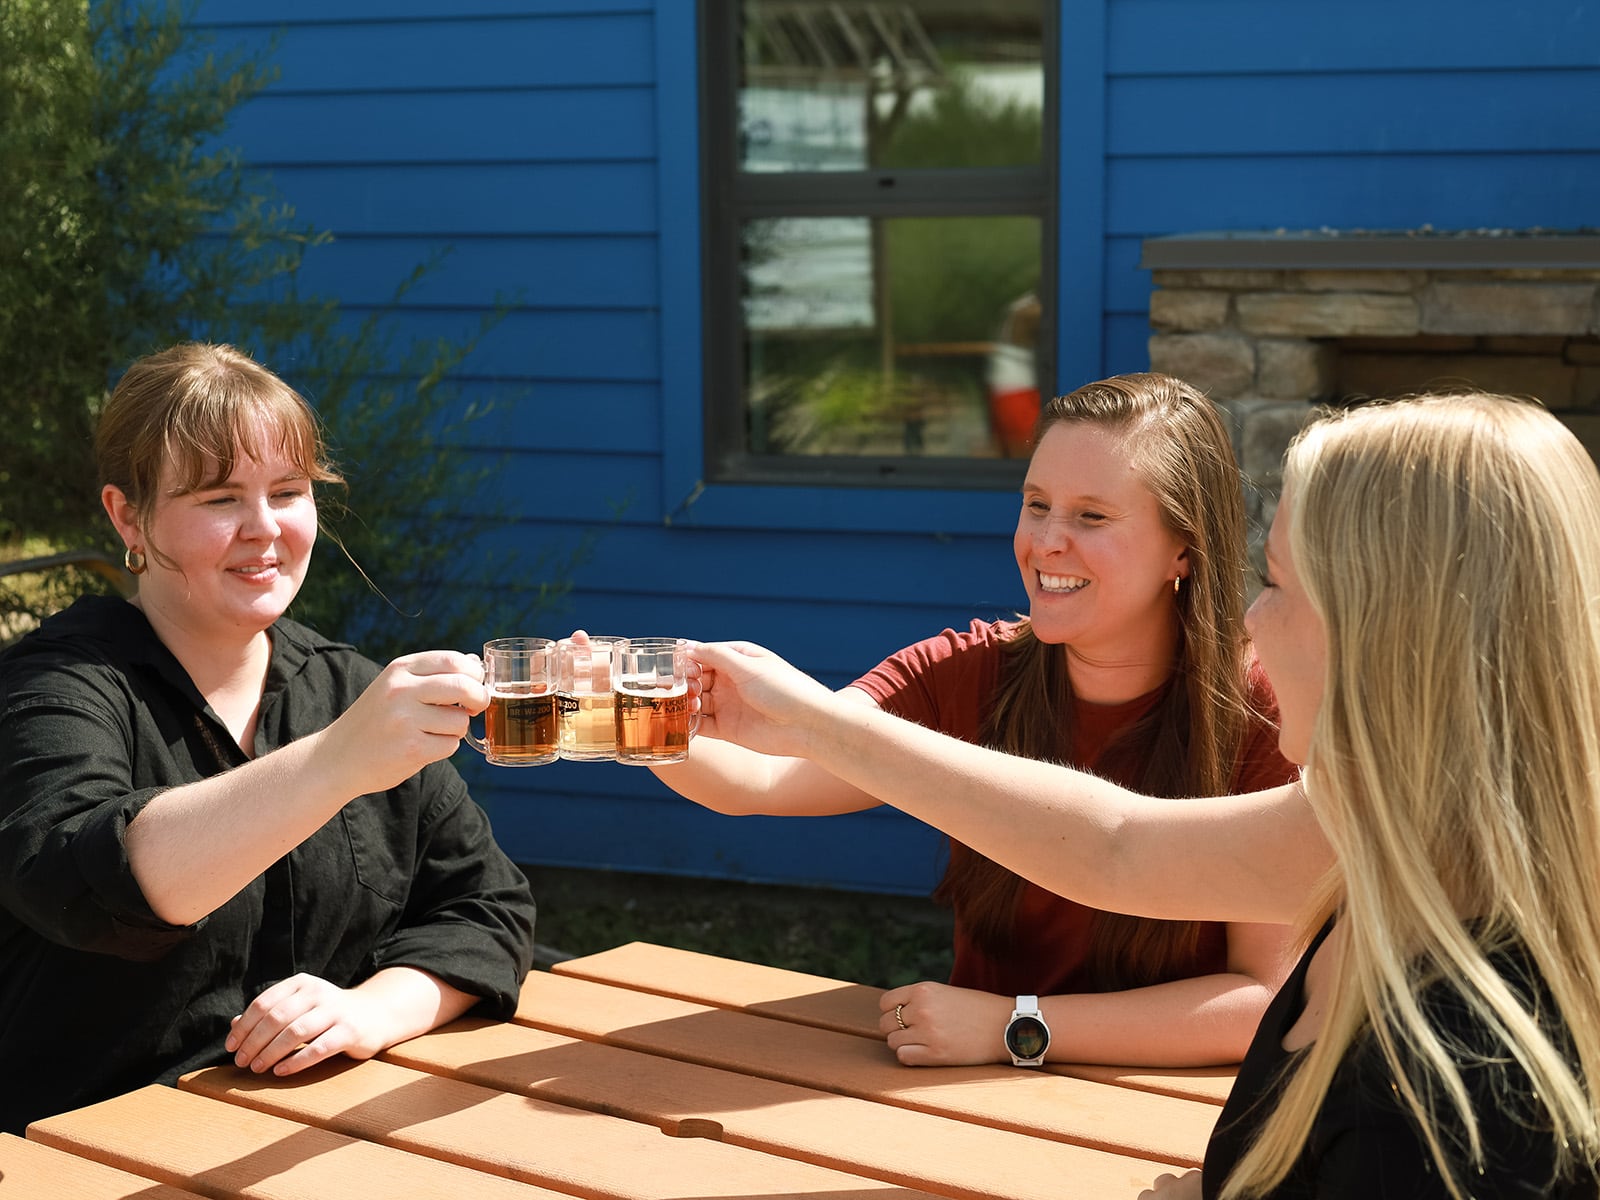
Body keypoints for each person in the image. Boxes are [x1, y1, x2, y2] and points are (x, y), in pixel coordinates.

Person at [689, 391, 1600, 1199]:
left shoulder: (1450, 1098)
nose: (1252, 616)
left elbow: (1131, 860)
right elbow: (1119, 847)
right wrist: (648, 725)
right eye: (1037, 503)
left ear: (1394, 632)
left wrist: (1018, 1027)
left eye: (1278, 584)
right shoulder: (1380, 823)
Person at [649, 373, 1300, 1069]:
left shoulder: (1267, 706)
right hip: (960, 1098)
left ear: (1184, 547)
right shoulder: (965, 670)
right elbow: (765, 780)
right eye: (1037, 504)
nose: (1047, 541)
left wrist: (1015, 1027)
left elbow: (1262, 999)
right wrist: (629, 719)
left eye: (1091, 517)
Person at [0, 342, 538, 1134]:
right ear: (128, 516)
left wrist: (369, 1012)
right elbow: (92, 886)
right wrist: (336, 763)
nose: (265, 530)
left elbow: (487, 907)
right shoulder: (56, 685)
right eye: (220, 499)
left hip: (321, 1142)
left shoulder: (348, 689)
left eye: (288, 492)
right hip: (80, 1154)